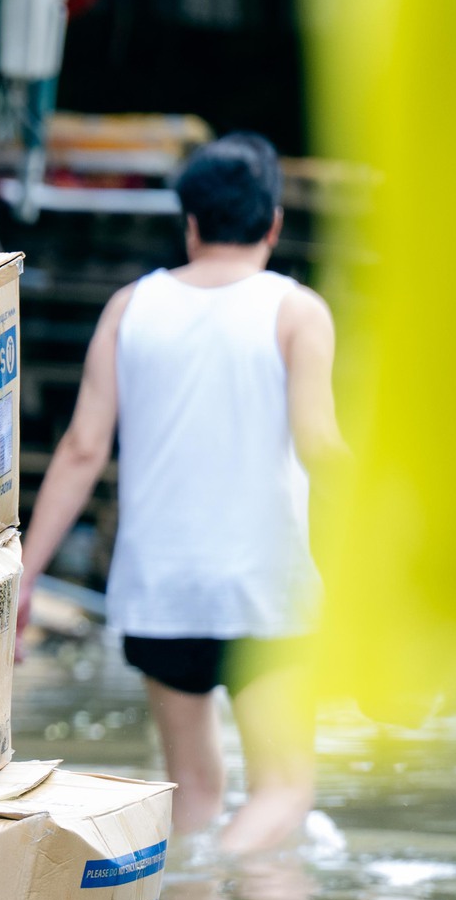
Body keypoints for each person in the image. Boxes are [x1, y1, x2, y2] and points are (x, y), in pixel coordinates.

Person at [19, 133, 347, 852]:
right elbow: (321, 445)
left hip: (158, 592)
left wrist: (26, 574)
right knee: (284, 790)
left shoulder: (130, 307)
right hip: (265, 588)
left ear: (190, 223)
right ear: (274, 223)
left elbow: (80, 451)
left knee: (194, 793)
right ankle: (232, 896)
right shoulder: (295, 311)